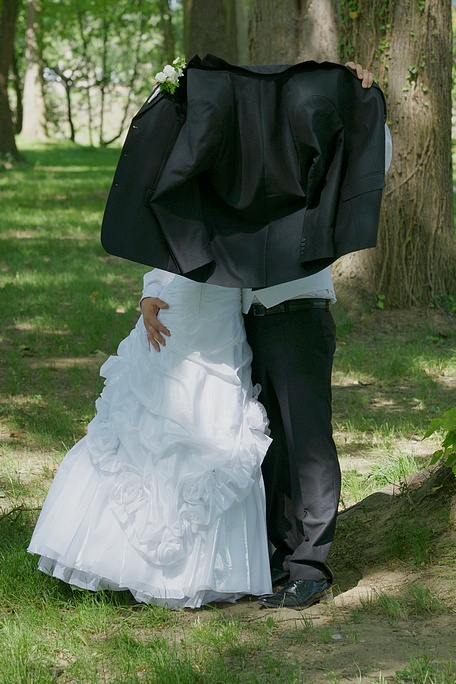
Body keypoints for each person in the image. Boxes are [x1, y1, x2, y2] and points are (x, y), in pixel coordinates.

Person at [143, 62, 392, 610]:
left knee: (307, 440)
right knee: (270, 444)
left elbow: (370, 153)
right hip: (247, 319)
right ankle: (281, 556)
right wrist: (153, 288)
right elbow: (192, 213)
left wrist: (363, 99)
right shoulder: (245, 171)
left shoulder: (312, 168)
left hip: (299, 316)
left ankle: (311, 566)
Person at [28, 269, 272, 609]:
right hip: (175, 315)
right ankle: (120, 560)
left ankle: (203, 571)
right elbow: (163, 250)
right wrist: (148, 294)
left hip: (222, 320)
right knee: (145, 425)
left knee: (215, 424)